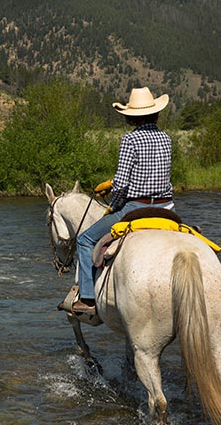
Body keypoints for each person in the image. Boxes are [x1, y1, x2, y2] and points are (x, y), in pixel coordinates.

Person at [72, 87, 174, 314]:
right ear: (155, 113)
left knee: (85, 240)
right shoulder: (166, 138)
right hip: (167, 207)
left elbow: (121, 184)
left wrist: (114, 204)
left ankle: (87, 299)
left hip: (136, 206)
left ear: (130, 116)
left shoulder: (130, 139)